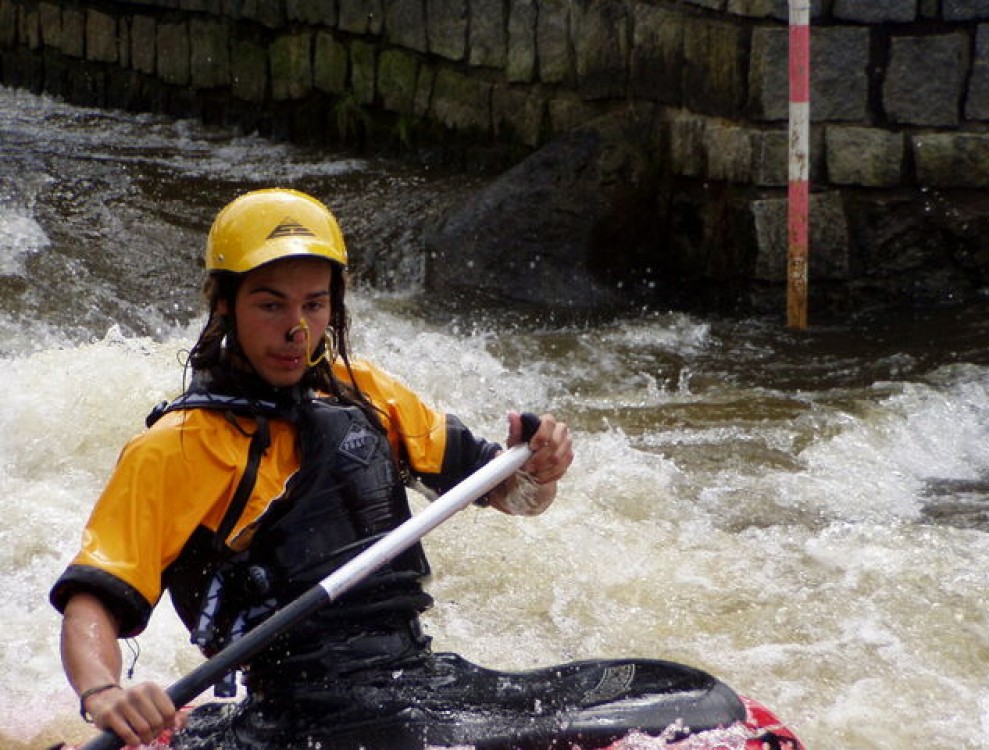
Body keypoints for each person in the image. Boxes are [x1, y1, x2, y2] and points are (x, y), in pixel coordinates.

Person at [50, 189, 744, 750]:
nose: (296, 330)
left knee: (696, 700)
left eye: (314, 304)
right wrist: (105, 695)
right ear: (225, 304)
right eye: (271, 304)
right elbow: (92, 601)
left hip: (417, 678)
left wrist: (540, 468)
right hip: (304, 714)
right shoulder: (176, 448)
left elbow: (511, 494)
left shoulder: (363, 394)